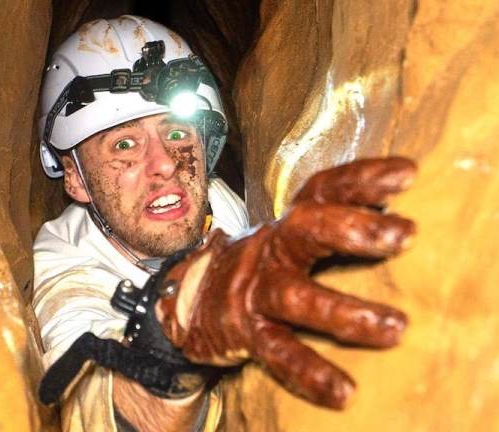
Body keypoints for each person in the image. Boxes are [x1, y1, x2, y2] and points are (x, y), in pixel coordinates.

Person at [32, 15, 416, 432]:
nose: (164, 164)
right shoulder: (63, 263)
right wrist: (169, 345)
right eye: (124, 144)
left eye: (177, 134)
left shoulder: (215, 202)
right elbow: (91, 400)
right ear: (74, 177)